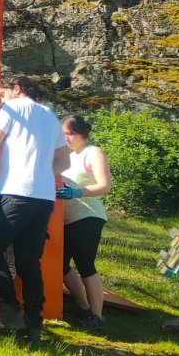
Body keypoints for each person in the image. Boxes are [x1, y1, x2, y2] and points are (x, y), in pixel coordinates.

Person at [0, 74, 68, 346]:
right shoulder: (51, 116)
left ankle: (8, 307)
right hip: (43, 197)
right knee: (29, 260)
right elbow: (63, 162)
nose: (0, 100)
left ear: (16, 90)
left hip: (14, 191)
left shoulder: (13, 109)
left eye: (2, 94)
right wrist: (40, 171)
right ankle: (33, 322)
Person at [57, 114, 112, 331]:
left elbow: (104, 185)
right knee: (60, 264)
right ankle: (83, 307)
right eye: (63, 135)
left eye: (70, 134)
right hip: (67, 220)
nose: (66, 138)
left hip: (88, 216)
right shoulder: (67, 157)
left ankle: (97, 317)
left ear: (82, 133)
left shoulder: (93, 152)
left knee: (85, 265)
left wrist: (77, 192)